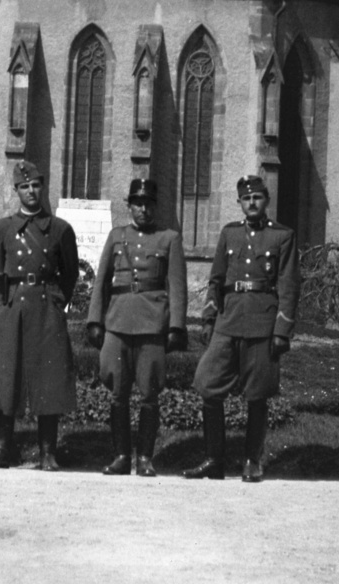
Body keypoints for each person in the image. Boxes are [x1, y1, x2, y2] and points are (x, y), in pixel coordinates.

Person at [185, 173, 299, 483]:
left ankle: (251, 461)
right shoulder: (230, 234)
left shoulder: (282, 236)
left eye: (257, 197)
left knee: (257, 394)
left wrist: (281, 330)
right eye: (246, 198)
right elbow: (216, 279)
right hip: (229, 320)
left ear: (266, 201)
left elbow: (288, 287)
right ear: (239, 203)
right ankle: (214, 460)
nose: (252, 202)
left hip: (262, 322)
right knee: (207, 383)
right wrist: (209, 316)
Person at [0, 161, 79, 470]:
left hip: (46, 308)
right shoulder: (2, 228)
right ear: (16, 191)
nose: (31, 191)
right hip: (12, 307)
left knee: (47, 378)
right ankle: (2, 448)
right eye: (25, 186)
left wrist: (54, 300)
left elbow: (70, 274)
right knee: (5, 374)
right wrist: (5, 301)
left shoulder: (60, 229)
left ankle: (47, 451)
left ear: (42, 187)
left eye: (36, 185)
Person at [86, 177, 187, 476]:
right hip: (118, 321)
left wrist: (176, 326)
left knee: (149, 392)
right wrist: (95, 319)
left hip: (152, 324)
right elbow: (101, 280)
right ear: (129, 206)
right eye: (138, 204)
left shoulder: (169, 238)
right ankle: (120, 457)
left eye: (148, 204)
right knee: (117, 389)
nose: (143, 209)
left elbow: (177, 286)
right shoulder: (117, 236)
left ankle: (144, 457)